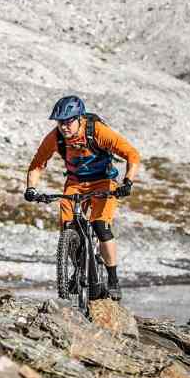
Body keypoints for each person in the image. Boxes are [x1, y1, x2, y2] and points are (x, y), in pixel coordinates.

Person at [24, 95, 141, 300]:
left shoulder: (96, 131)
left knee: (100, 226)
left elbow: (132, 154)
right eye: (60, 122)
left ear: (79, 118)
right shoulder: (56, 138)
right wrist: (31, 188)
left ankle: (113, 279)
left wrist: (128, 182)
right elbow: (37, 164)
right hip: (75, 183)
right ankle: (78, 270)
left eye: (68, 121)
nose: (64, 127)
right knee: (68, 228)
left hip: (104, 182)